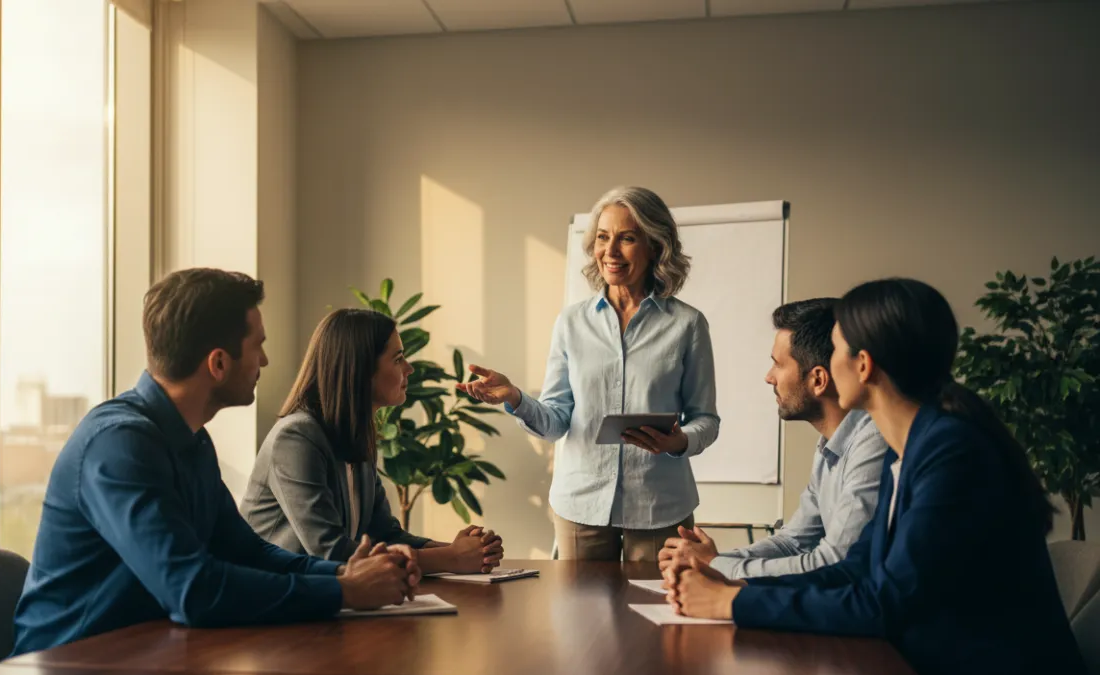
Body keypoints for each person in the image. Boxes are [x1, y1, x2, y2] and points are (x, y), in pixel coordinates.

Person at [665, 278, 1093, 675]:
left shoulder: (950, 451)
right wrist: (736, 592)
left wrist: (732, 605)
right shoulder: (915, 444)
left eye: (838, 347)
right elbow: (858, 568)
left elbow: (887, 603)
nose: (828, 358)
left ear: (863, 365)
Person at [11, 269, 418, 657]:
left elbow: (246, 551)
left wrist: (345, 574)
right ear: (218, 364)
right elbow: (192, 590)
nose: (265, 361)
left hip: (146, 660)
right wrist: (345, 592)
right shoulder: (119, 445)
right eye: (258, 345)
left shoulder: (192, 439)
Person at [457, 186, 718, 562]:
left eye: (627, 238)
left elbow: (706, 418)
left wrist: (677, 442)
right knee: (581, 620)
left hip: (660, 505)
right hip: (580, 506)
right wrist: (515, 398)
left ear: (656, 247)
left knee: (658, 616)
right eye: (602, 237)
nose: (609, 252)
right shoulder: (571, 323)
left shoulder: (688, 325)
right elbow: (556, 422)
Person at [242, 308, 504, 573]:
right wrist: (451, 558)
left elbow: (384, 534)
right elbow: (330, 551)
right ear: (360, 369)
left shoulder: (357, 434)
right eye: (398, 359)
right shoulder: (297, 438)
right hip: (279, 603)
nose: (409, 369)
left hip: (325, 597)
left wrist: (463, 550)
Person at [658, 299, 887, 578]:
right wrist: (708, 559)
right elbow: (792, 542)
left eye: (777, 365)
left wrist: (716, 565)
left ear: (818, 379)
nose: (769, 378)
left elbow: (836, 561)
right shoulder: (830, 444)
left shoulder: (873, 442)